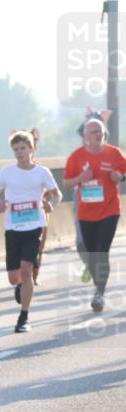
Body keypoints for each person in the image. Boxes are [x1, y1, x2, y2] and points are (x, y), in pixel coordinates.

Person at [0, 131, 61, 332]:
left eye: (23, 148)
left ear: (31, 149)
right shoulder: (7, 172)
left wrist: (51, 204)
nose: (20, 153)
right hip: (13, 227)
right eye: (16, 150)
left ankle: (24, 317)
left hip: (34, 226)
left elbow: (57, 194)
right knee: (14, 277)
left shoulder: (42, 172)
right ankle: (20, 286)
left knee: (27, 268)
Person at [64, 117, 126, 313]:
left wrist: (120, 176)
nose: (98, 135)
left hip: (110, 210)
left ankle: (99, 293)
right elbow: (66, 183)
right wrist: (81, 178)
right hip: (86, 212)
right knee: (91, 254)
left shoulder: (114, 153)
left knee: (102, 252)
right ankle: (97, 282)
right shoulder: (76, 157)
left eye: (100, 131)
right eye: (93, 132)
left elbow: (124, 170)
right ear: (84, 136)